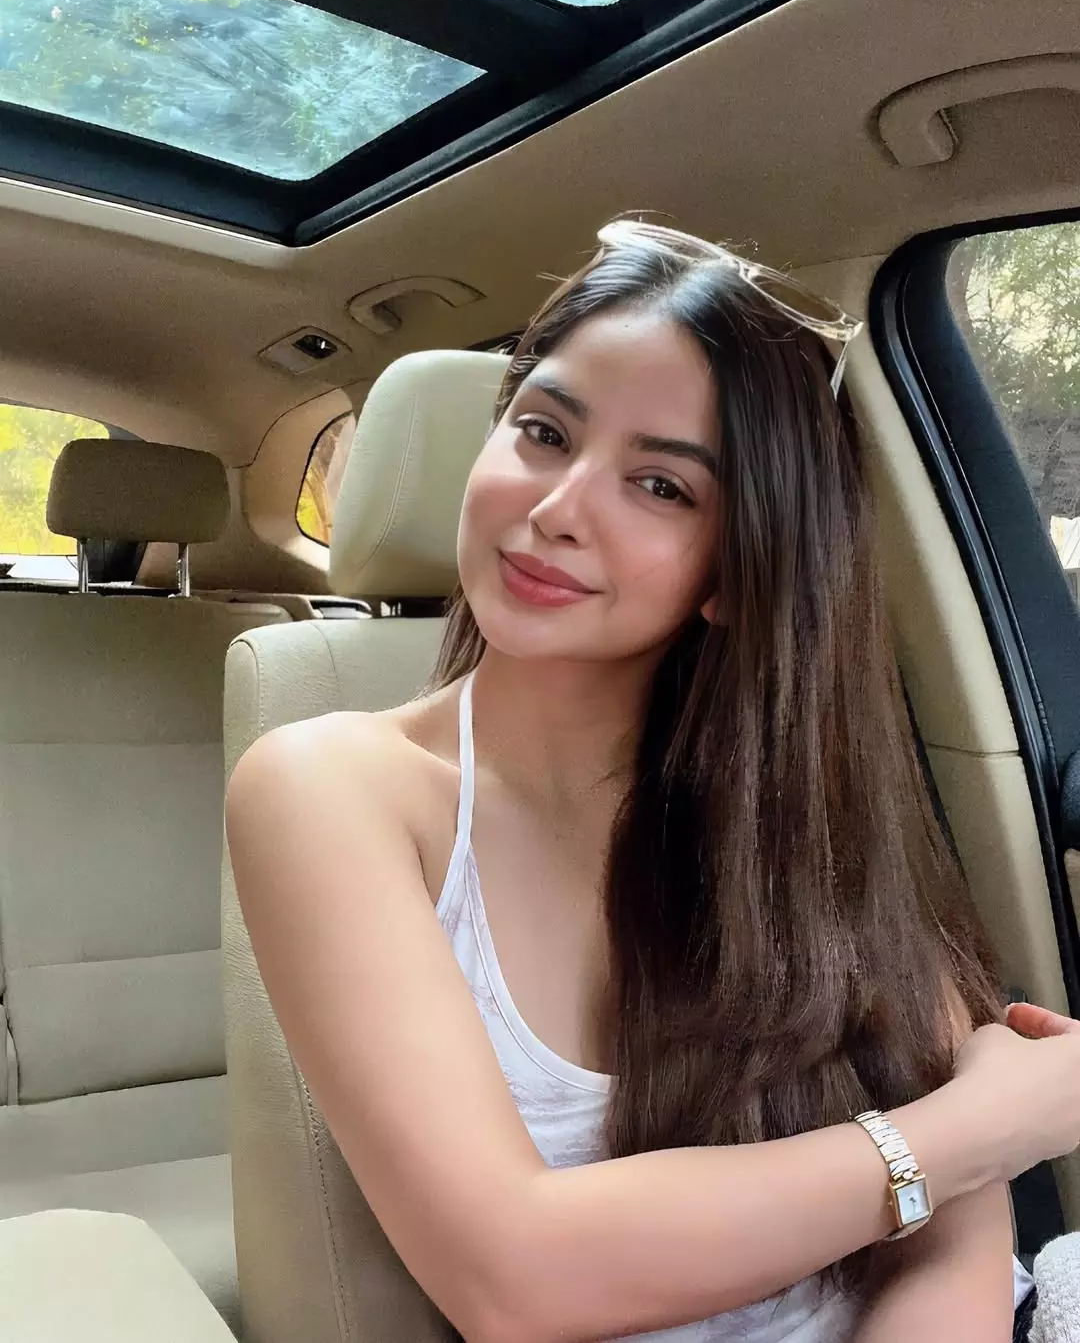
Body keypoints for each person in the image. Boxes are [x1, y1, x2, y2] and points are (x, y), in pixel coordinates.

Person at [225, 219, 1080, 1342]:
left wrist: (968, 1146)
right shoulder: (330, 786)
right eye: (544, 432)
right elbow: (515, 1279)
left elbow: (954, 1235)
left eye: (662, 487)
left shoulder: (800, 799)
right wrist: (989, 1128)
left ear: (735, 571)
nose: (558, 509)